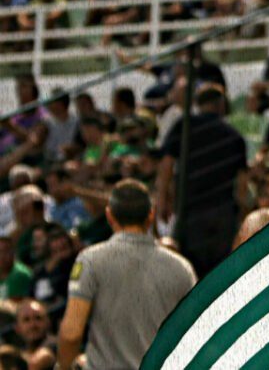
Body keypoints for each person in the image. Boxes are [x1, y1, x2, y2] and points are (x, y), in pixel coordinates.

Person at [57, 179, 196, 370]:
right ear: (151, 215)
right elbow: (196, 333)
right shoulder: (181, 268)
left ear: (109, 215)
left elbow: (72, 333)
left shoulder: (90, 260)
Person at [157, 84, 248, 277]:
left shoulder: (184, 127)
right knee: (221, 276)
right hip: (223, 215)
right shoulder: (234, 136)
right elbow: (242, 185)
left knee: (191, 272)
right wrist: (240, 215)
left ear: (198, 104)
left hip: (191, 213)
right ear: (221, 105)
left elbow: (166, 165)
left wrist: (162, 200)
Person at [15, 300, 55, 370]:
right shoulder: (20, 354)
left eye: (38, 318)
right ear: (17, 328)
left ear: (48, 322)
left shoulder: (57, 344)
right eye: (26, 320)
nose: (33, 325)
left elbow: (36, 363)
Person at [42, 89, 78, 164]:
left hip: (71, 160)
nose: (48, 105)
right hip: (50, 161)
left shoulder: (77, 121)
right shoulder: (46, 122)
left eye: (51, 102)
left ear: (60, 104)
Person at [0, 237, 32, 302]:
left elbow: (18, 302)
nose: (2, 256)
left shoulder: (22, 274)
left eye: (6, 251)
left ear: (14, 253)